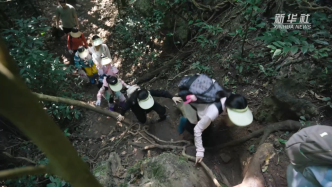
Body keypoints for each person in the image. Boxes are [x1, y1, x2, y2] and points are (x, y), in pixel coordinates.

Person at [178, 82, 253, 165]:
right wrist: (199, 152)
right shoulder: (213, 111)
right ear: (228, 111)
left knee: (206, 125)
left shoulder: (233, 98)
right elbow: (197, 129)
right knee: (195, 124)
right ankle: (184, 122)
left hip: (201, 94)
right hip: (191, 101)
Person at [116, 85, 183, 124]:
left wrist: (172, 97)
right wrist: (121, 115)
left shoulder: (148, 93)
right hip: (138, 110)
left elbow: (162, 93)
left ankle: (162, 116)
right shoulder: (131, 101)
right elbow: (124, 107)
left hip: (150, 105)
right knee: (142, 120)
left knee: (161, 110)